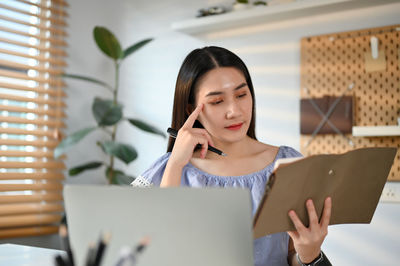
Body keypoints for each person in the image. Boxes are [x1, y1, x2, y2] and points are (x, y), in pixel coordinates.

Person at [131, 46, 332, 266]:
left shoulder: (288, 164)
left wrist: (309, 253)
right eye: (217, 101)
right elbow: (150, 251)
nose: (234, 110)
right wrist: (176, 163)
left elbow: (292, 255)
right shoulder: (170, 169)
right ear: (191, 110)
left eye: (241, 94)